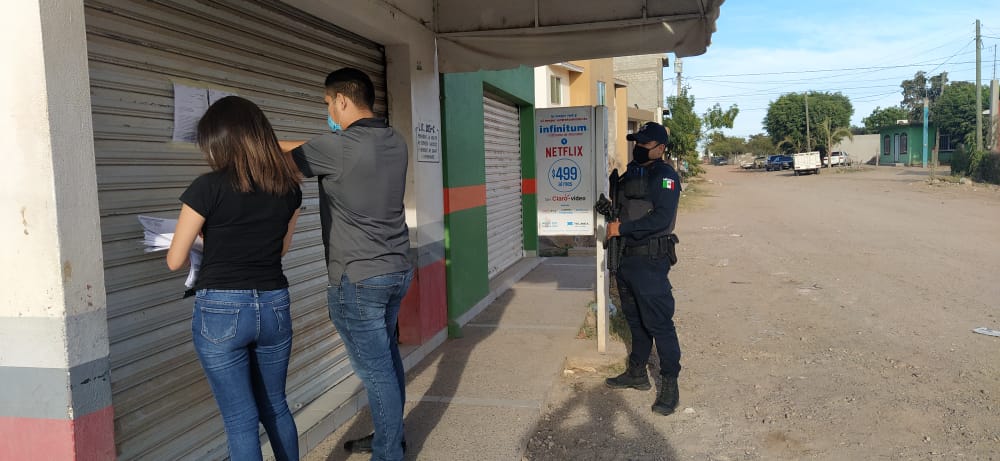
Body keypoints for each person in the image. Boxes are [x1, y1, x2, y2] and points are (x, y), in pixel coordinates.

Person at [280, 68, 413, 460]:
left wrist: (245, 141)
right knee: (387, 359)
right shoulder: (394, 140)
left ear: (341, 100)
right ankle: (391, 438)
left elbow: (287, 163)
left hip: (359, 279)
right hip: (396, 270)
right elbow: (323, 148)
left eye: (328, 104)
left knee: (376, 371)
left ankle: (389, 453)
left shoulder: (336, 149)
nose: (328, 113)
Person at [166, 96, 302, 460]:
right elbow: (281, 249)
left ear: (218, 143)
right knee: (276, 405)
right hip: (273, 304)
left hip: (222, 308)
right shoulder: (288, 188)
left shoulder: (206, 187)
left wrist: (206, 237)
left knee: (241, 421)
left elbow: (175, 260)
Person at [604, 121, 683, 416]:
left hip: (650, 261)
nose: (638, 147)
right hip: (626, 259)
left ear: (660, 148)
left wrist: (622, 228)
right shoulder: (631, 174)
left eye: (645, 144)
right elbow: (622, 209)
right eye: (636, 142)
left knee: (659, 324)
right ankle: (637, 373)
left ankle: (670, 383)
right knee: (635, 321)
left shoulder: (666, 177)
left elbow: (661, 218)